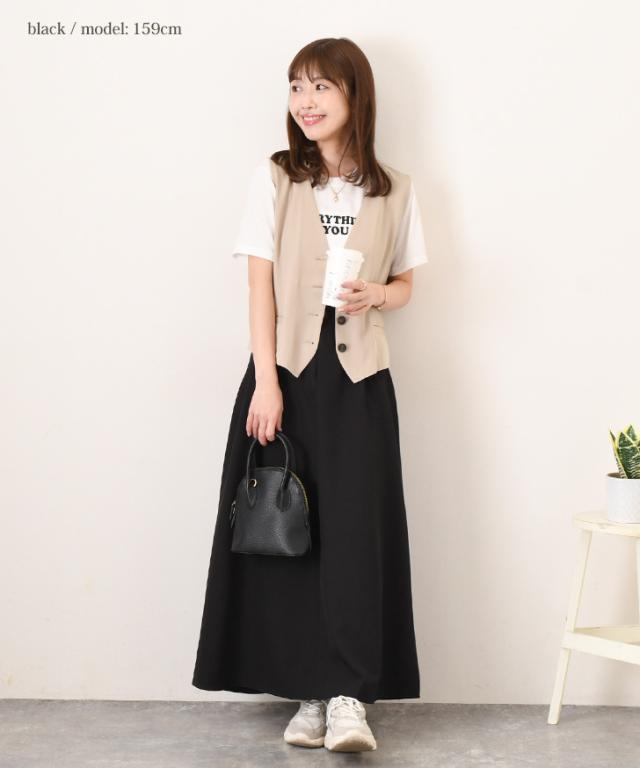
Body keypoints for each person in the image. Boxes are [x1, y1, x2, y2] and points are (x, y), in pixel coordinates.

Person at [192, 36, 428, 753]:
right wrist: (266, 382)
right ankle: (308, 694)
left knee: (356, 533)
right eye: (296, 86)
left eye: (321, 86)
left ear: (356, 95)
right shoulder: (276, 177)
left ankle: (350, 697)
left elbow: (407, 284)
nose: (305, 101)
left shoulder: (395, 188)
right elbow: (258, 285)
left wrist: (377, 293)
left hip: (360, 381)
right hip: (288, 373)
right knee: (289, 533)